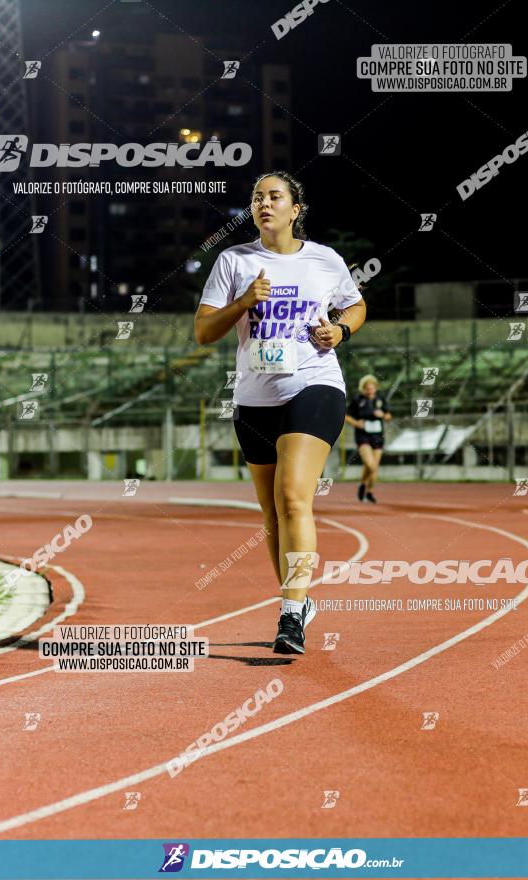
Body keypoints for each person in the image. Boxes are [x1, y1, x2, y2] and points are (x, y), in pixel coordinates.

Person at [194, 171, 366, 654]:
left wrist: (341, 332)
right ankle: (299, 600)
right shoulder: (233, 261)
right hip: (254, 398)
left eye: (275, 196)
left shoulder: (324, 260)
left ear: (296, 209)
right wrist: (245, 302)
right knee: (272, 513)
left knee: (293, 497)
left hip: (314, 384)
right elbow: (204, 332)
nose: (264, 203)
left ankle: (290, 615)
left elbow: (355, 306)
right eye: (256, 197)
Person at [345, 374, 392, 503]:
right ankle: (363, 484)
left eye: (372, 388)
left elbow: (388, 416)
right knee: (371, 466)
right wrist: (356, 423)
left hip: (378, 435)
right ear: (364, 388)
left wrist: (383, 415)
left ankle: (368, 491)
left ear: (376, 388)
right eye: (367, 388)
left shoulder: (380, 399)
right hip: (363, 435)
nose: (370, 390)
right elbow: (347, 416)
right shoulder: (357, 400)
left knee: (373, 466)